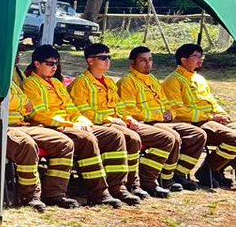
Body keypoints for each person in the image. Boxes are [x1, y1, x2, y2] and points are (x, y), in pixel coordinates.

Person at [0, 52, 78, 210]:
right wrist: (20, 103)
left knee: (64, 143)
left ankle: (54, 193)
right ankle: (29, 196)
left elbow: (27, 104)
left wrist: (19, 103)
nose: (7, 64)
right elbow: (3, 101)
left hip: (21, 126)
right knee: (26, 144)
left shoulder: (9, 82)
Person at [69, 43, 178, 199]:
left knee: (166, 137)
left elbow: (120, 107)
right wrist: (110, 119)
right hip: (100, 124)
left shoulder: (109, 82)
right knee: (130, 138)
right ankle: (120, 186)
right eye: (102, 58)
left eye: (109, 57)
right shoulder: (81, 82)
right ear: (90, 61)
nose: (107, 61)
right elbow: (82, 111)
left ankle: (143, 181)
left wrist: (128, 118)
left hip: (118, 122)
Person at [22, 44, 122, 208]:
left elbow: (71, 108)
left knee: (113, 136)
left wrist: (82, 120)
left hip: (70, 124)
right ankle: (93, 193)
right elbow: (38, 114)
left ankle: (118, 187)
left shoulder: (57, 83)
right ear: (37, 64)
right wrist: (71, 123)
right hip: (50, 127)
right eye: (49, 63)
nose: (54, 67)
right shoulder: (30, 84)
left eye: (56, 63)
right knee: (86, 139)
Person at [117, 46, 206, 191]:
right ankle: (153, 178)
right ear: (132, 63)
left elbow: (167, 103)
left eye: (150, 60)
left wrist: (171, 113)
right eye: (143, 60)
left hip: (163, 121)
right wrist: (159, 116)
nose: (148, 63)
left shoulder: (153, 79)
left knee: (198, 134)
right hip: (145, 122)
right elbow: (130, 111)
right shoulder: (127, 82)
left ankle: (178, 174)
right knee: (172, 137)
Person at [160, 43, 236, 188]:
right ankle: (207, 170)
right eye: (197, 56)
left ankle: (217, 171)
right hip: (195, 123)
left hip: (212, 119)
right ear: (183, 60)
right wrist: (209, 117)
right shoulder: (173, 81)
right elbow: (177, 110)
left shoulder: (199, 78)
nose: (201, 59)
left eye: (202, 56)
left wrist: (222, 115)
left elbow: (212, 102)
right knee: (233, 139)